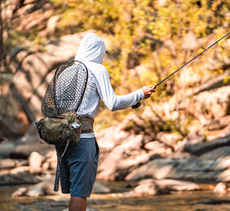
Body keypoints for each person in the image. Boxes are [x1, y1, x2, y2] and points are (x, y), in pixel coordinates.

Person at [56, 32, 155, 211]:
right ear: (98, 51)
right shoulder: (97, 69)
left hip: (62, 139)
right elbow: (112, 103)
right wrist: (140, 94)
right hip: (82, 139)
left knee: (74, 191)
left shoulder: (66, 71)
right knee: (79, 192)